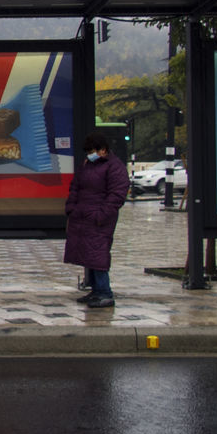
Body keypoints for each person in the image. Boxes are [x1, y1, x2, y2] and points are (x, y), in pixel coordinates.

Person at [64, 132, 129, 308]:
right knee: (88, 254)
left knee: (98, 253)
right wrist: (72, 207)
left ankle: (105, 292)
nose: (90, 154)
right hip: (83, 216)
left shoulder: (114, 167)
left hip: (99, 219)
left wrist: (101, 215)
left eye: (93, 151)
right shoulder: (87, 165)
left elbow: (117, 194)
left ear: (103, 150)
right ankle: (96, 290)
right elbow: (76, 186)